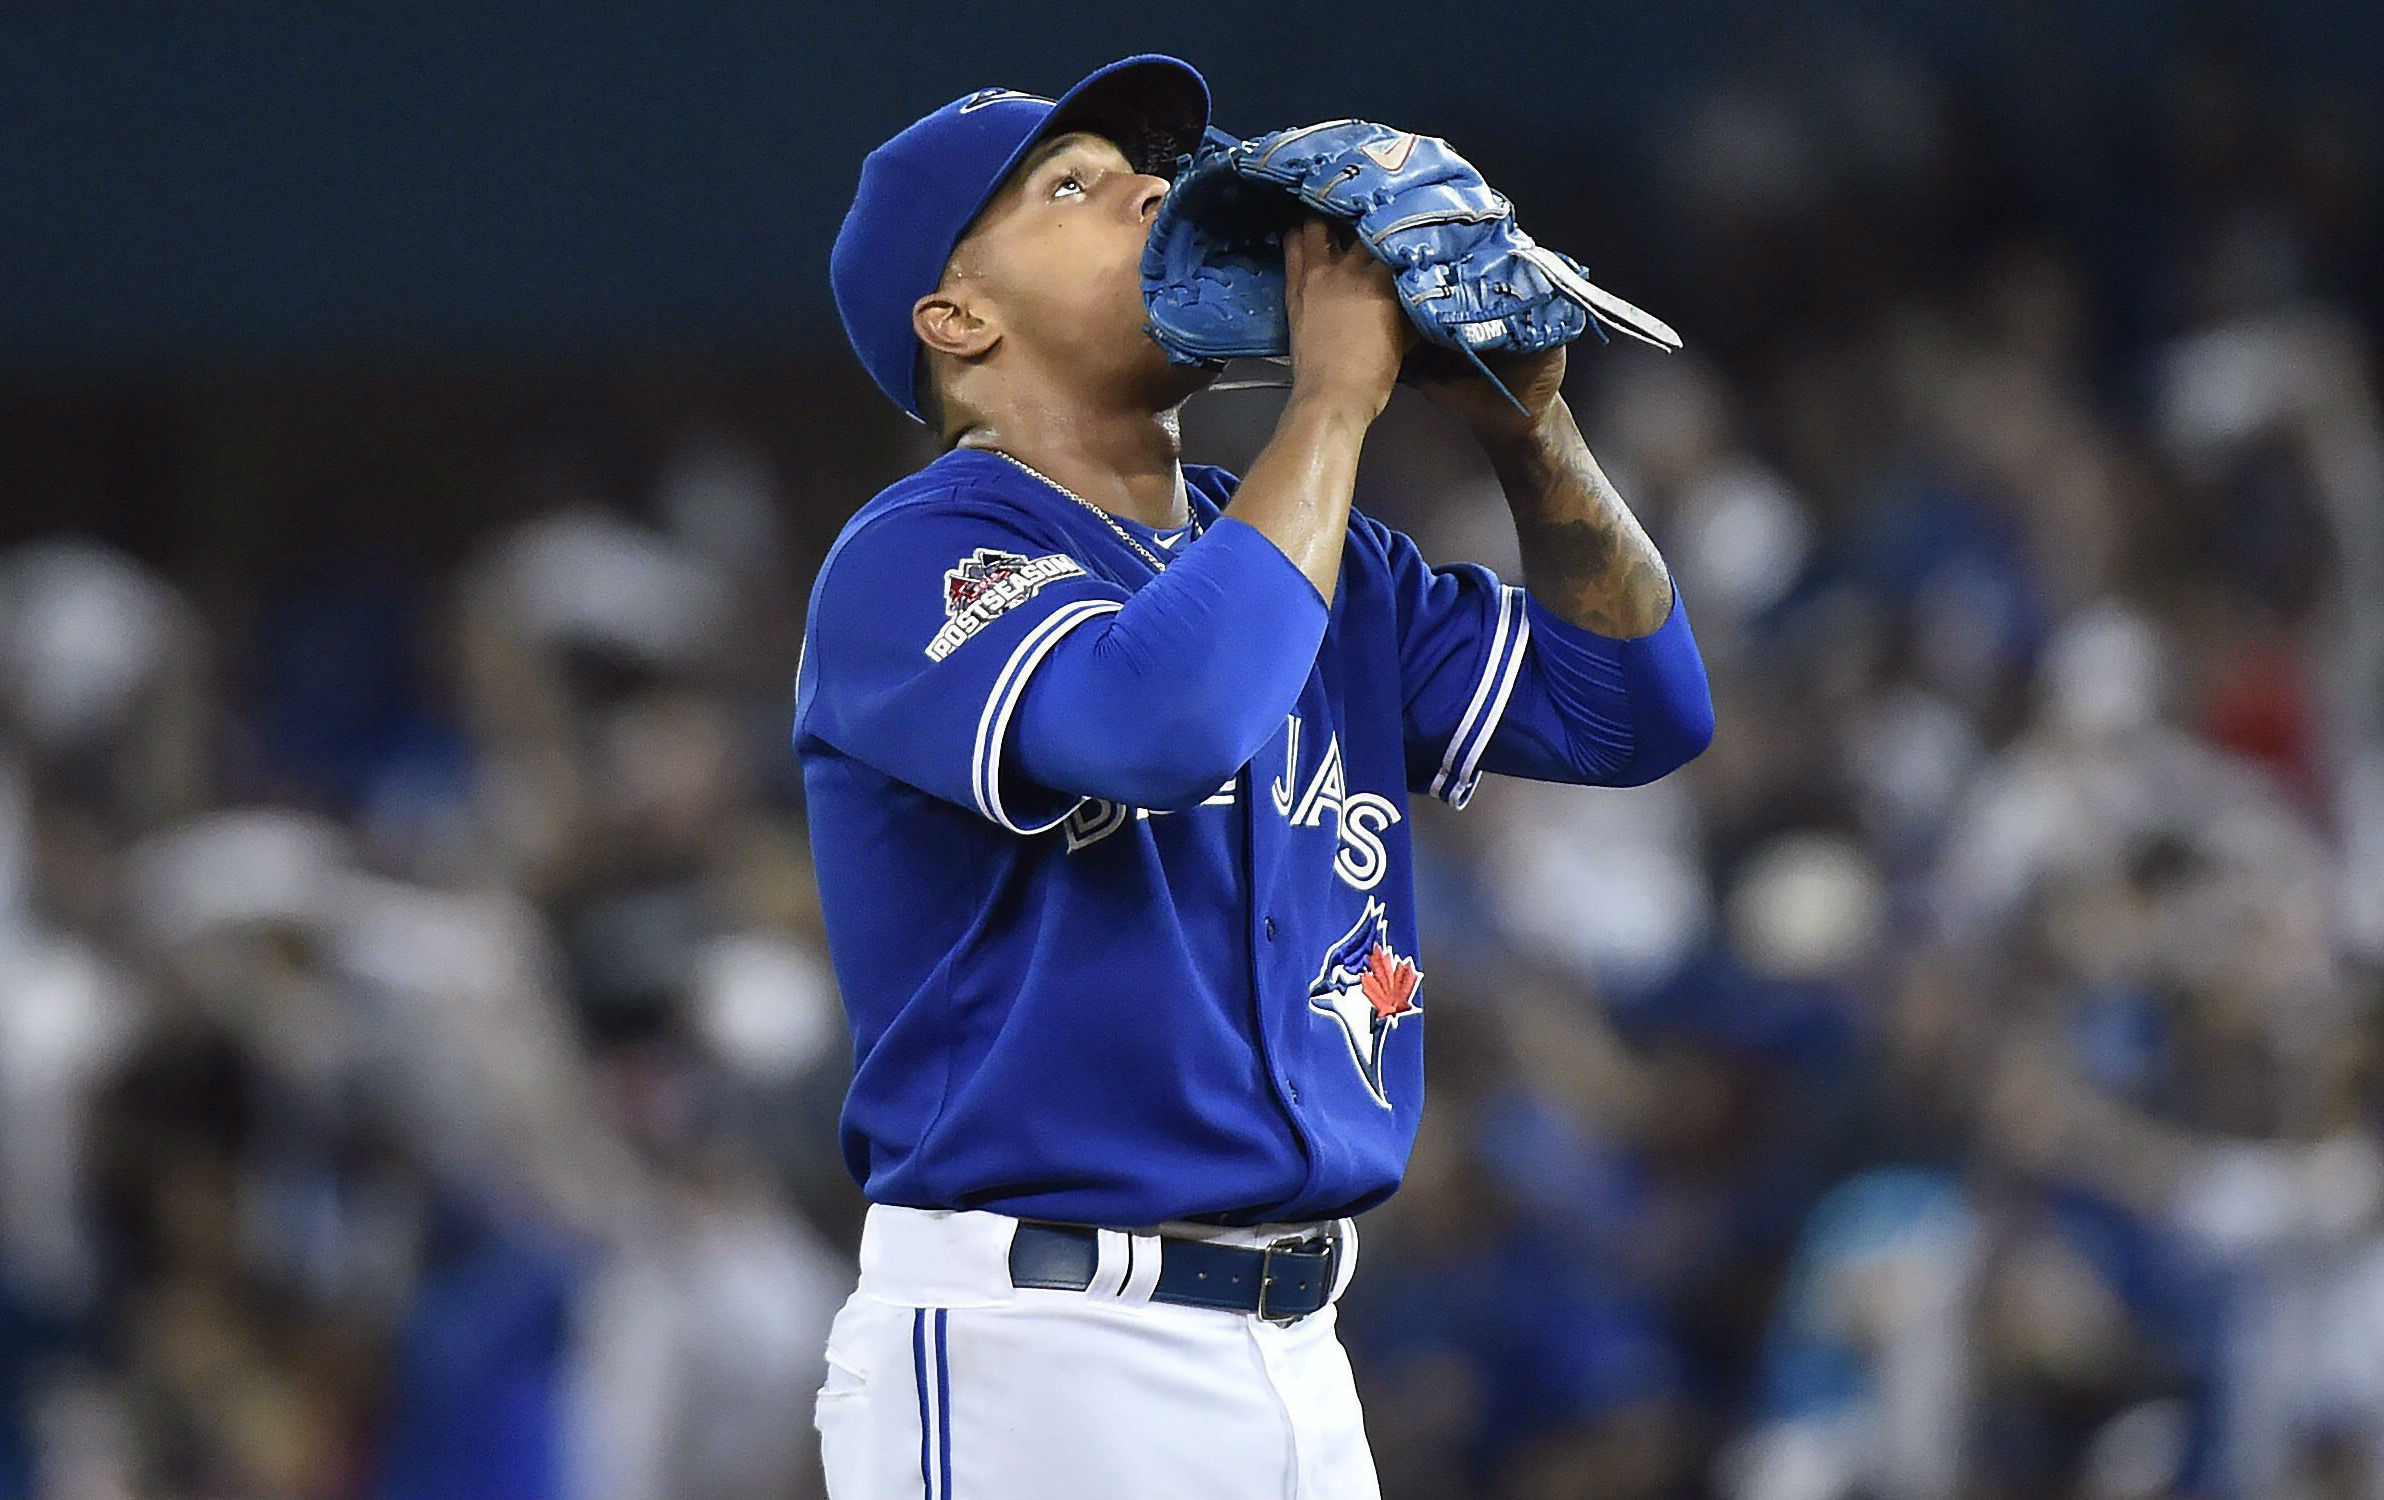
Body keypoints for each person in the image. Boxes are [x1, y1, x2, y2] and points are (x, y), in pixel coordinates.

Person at [804, 53, 1715, 1499]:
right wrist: (1337, 404)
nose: (1157, 191)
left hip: (1299, 1358)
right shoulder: (914, 556)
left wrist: (1524, 426)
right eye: (1075, 186)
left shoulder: (1313, 553)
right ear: (957, 315)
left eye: (1152, 169)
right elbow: (1160, 724)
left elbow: (1635, 713)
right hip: (1031, 1354)